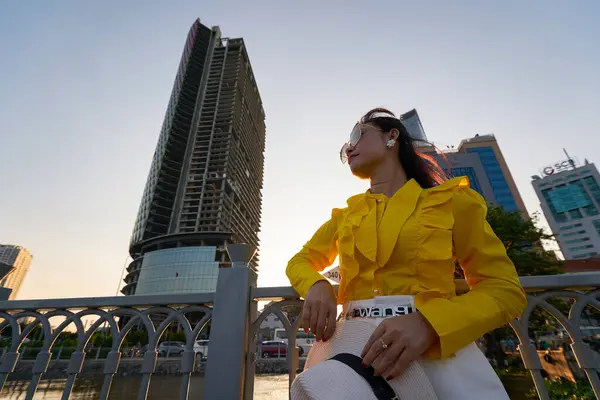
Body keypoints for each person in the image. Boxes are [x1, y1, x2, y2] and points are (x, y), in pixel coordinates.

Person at [286, 108, 527, 399]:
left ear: (392, 136)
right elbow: (300, 261)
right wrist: (316, 284)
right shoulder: (345, 215)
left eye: (356, 135)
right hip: (350, 354)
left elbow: (505, 290)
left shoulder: (452, 202)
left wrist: (430, 324)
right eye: (345, 146)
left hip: (437, 358)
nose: (349, 147)